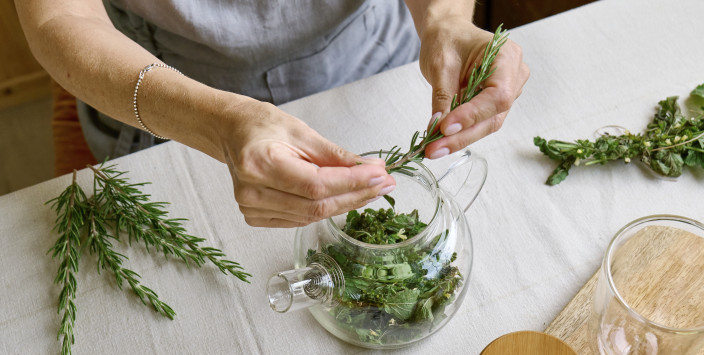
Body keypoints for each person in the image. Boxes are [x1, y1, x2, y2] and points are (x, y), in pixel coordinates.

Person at [15, 0, 529, 228]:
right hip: (168, 99)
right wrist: (217, 123)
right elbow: (61, 15)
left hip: (371, 64)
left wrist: (443, 19)